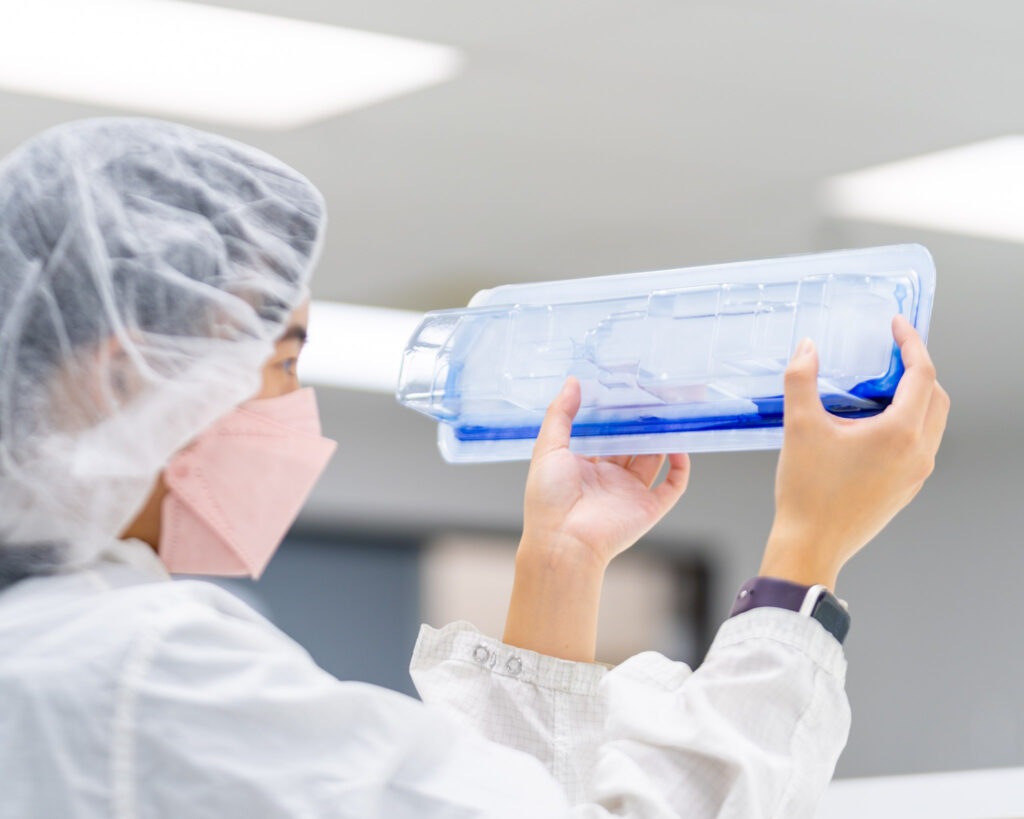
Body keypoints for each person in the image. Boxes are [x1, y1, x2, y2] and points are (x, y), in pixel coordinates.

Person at [0, 118, 949, 818]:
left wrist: (561, 566)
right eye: (281, 357)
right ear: (126, 371)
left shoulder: (44, 640)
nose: (295, 403)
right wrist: (805, 559)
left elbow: (498, 800)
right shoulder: (143, 667)